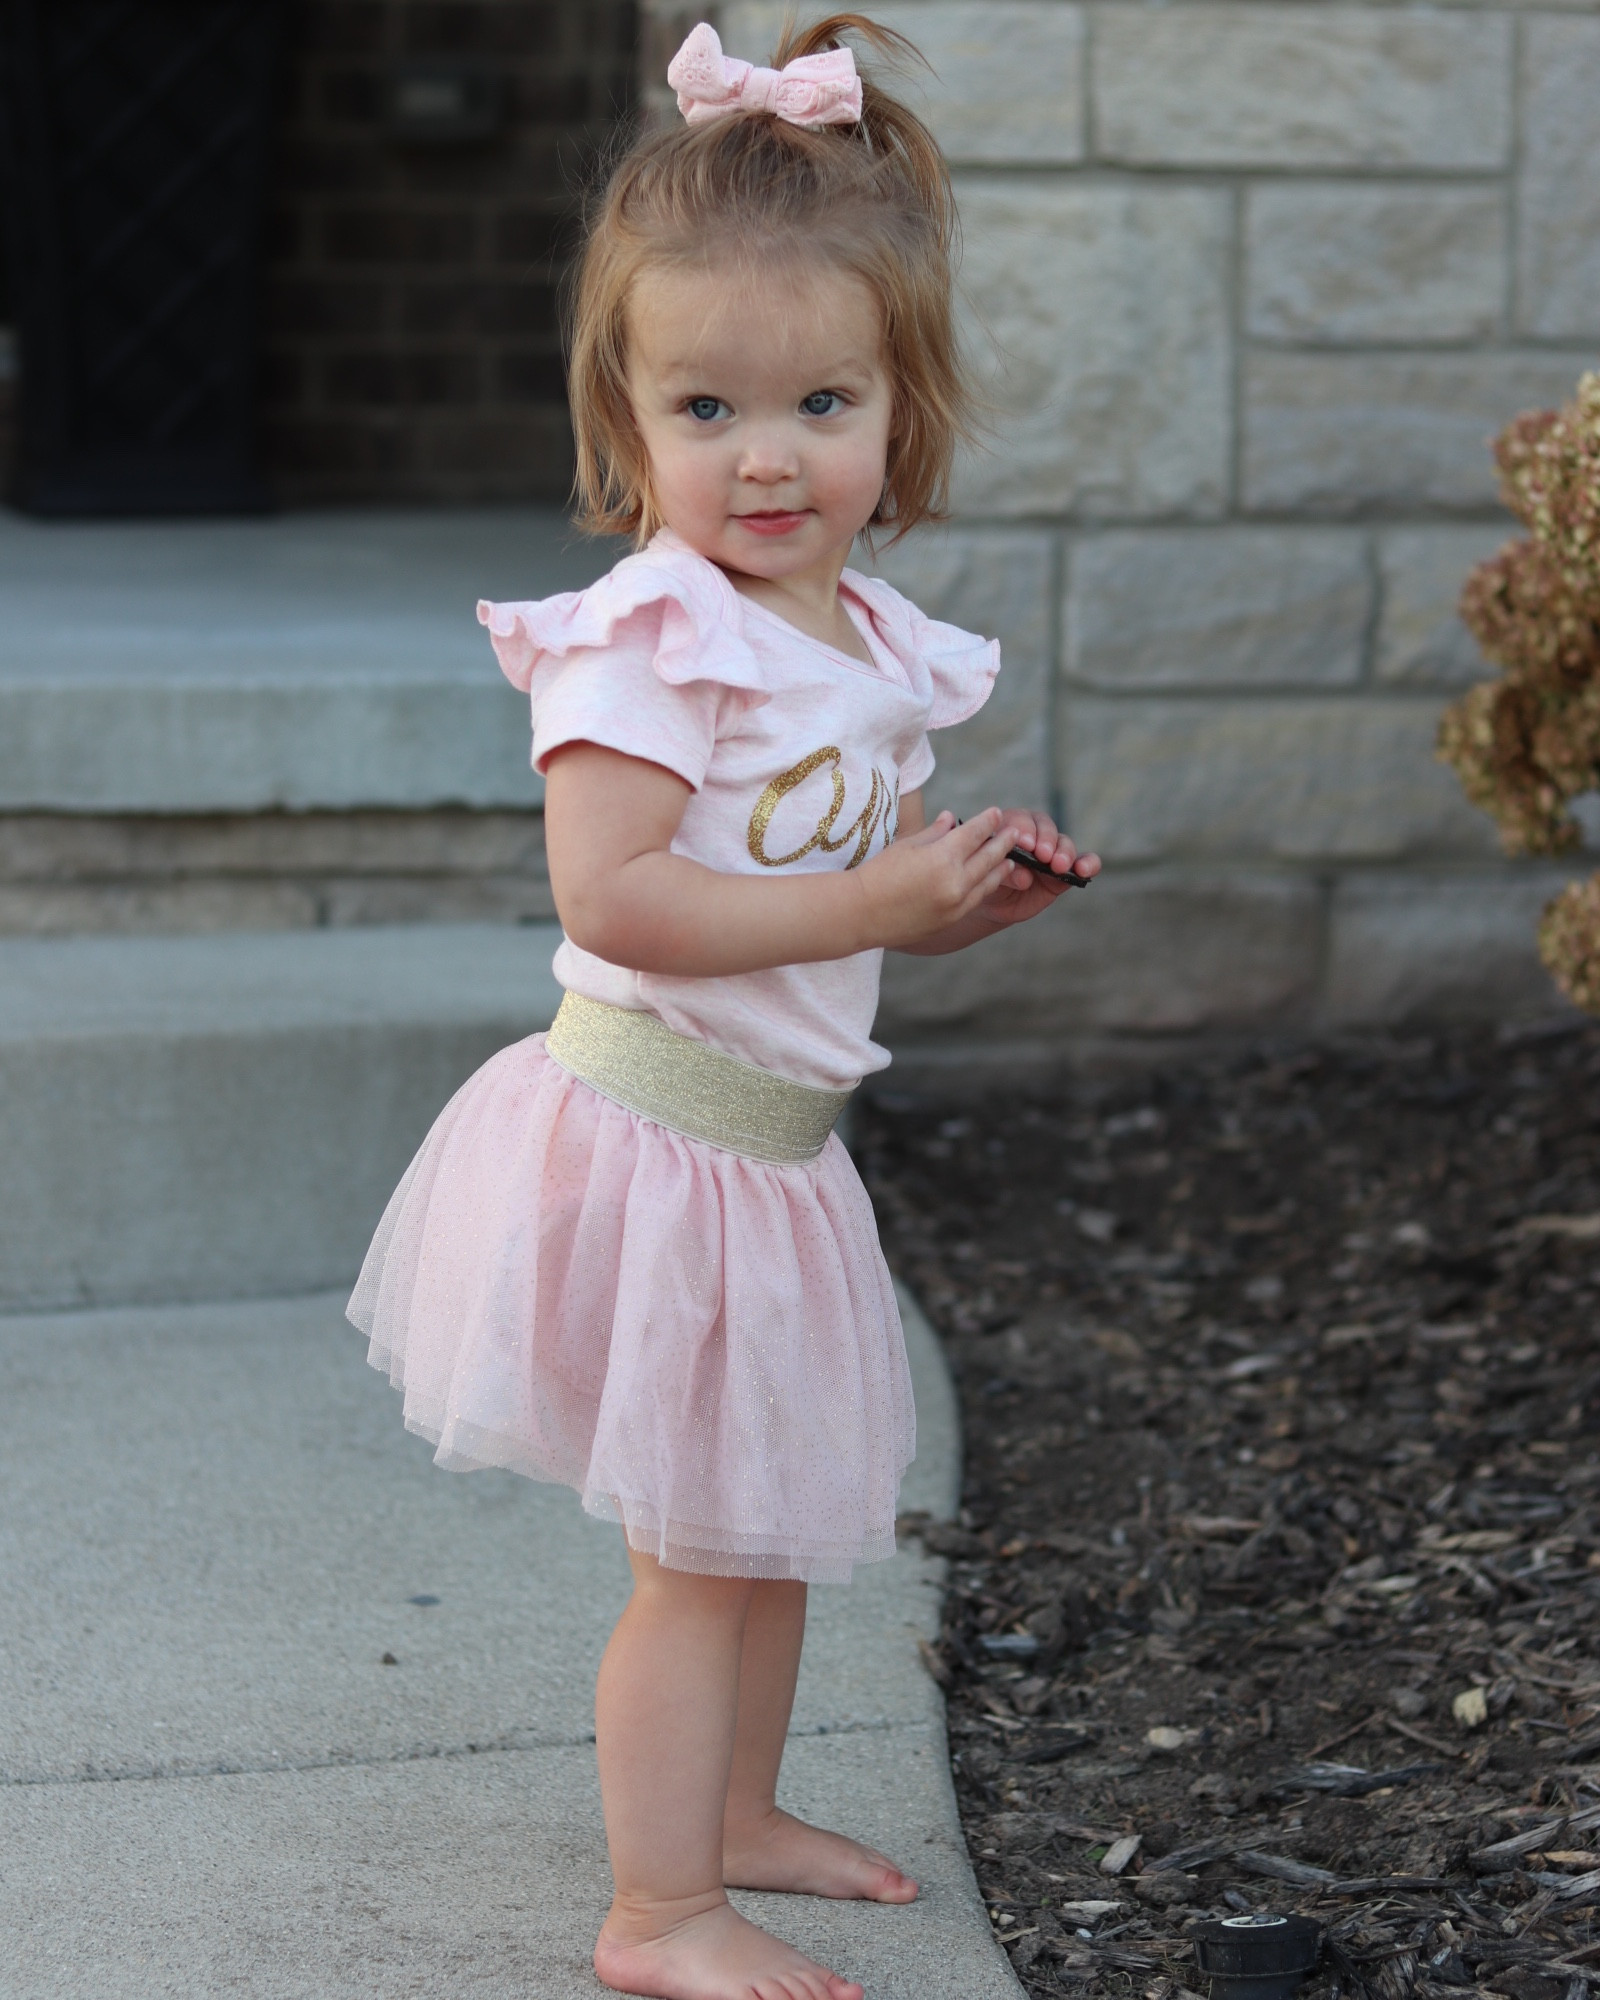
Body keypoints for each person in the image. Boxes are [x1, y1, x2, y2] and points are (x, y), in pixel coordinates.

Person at [347, 16, 1102, 1999]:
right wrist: (873, 892)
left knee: (757, 1529)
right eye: (704, 406)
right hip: (649, 1138)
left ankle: (734, 1818)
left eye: (819, 401)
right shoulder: (640, 639)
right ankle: (654, 1904)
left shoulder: (860, 638)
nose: (764, 456)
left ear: (898, 410)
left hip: (769, 1151)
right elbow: (618, 893)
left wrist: (954, 902)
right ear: (627, 413)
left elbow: (829, 895)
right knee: (693, 1554)